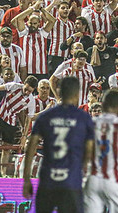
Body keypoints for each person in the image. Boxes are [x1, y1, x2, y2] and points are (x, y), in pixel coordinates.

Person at [23, 77, 95, 213]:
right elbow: (90, 150)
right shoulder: (83, 118)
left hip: (47, 181)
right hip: (71, 182)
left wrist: (27, 179)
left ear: (59, 91)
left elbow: (30, 147)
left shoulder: (45, 116)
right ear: (77, 93)